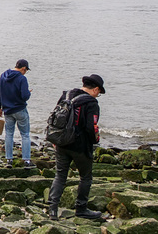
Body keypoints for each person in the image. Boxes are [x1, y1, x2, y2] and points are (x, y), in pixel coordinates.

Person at [47, 74, 106, 220]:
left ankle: (52, 209)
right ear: (96, 89)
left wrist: (55, 139)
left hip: (61, 142)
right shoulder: (91, 103)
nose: (98, 95)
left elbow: (55, 118)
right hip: (80, 146)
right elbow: (90, 127)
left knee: (60, 175)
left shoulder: (66, 95)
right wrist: (95, 140)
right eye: (99, 92)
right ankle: (81, 208)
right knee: (85, 177)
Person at [0, 59, 33, 168]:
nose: (25, 72)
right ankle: (26, 160)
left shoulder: (3, 76)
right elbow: (24, 96)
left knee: (9, 134)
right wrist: (28, 93)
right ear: (23, 68)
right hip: (20, 109)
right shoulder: (22, 78)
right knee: (25, 134)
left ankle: (9, 159)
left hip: (7, 110)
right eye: (25, 70)